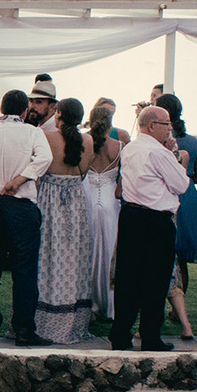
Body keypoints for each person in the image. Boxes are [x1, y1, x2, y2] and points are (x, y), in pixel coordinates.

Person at [0, 89, 53, 346]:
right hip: (20, 206)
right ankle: (24, 330)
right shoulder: (32, 132)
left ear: (1, 109)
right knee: (24, 270)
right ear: (24, 111)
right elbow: (45, 158)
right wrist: (20, 179)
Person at [110, 105, 188, 352]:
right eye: (166, 124)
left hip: (131, 215)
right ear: (152, 125)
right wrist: (173, 155)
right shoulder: (159, 153)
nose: (170, 129)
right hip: (156, 220)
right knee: (155, 279)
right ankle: (151, 336)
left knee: (128, 277)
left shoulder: (131, 148)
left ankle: (120, 333)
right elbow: (182, 184)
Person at [33, 96, 94, 343]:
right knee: (74, 259)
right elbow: (84, 173)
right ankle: (73, 322)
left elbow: (37, 171)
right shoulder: (88, 141)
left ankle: (45, 323)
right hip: (76, 204)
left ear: (57, 114)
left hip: (50, 202)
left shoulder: (46, 138)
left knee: (48, 259)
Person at [162, 94, 197, 342]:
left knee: (168, 251)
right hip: (189, 196)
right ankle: (176, 309)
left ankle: (165, 308)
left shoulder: (158, 140)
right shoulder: (192, 141)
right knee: (181, 255)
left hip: (167, 195)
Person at [83, 99, 125, 325]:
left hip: (88, 199)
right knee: (109, 253)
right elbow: (123, 180)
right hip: (110, 203)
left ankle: (87, 303)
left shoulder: (84, 144)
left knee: (87, 251)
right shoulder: (118, 146)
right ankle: (109, 307)